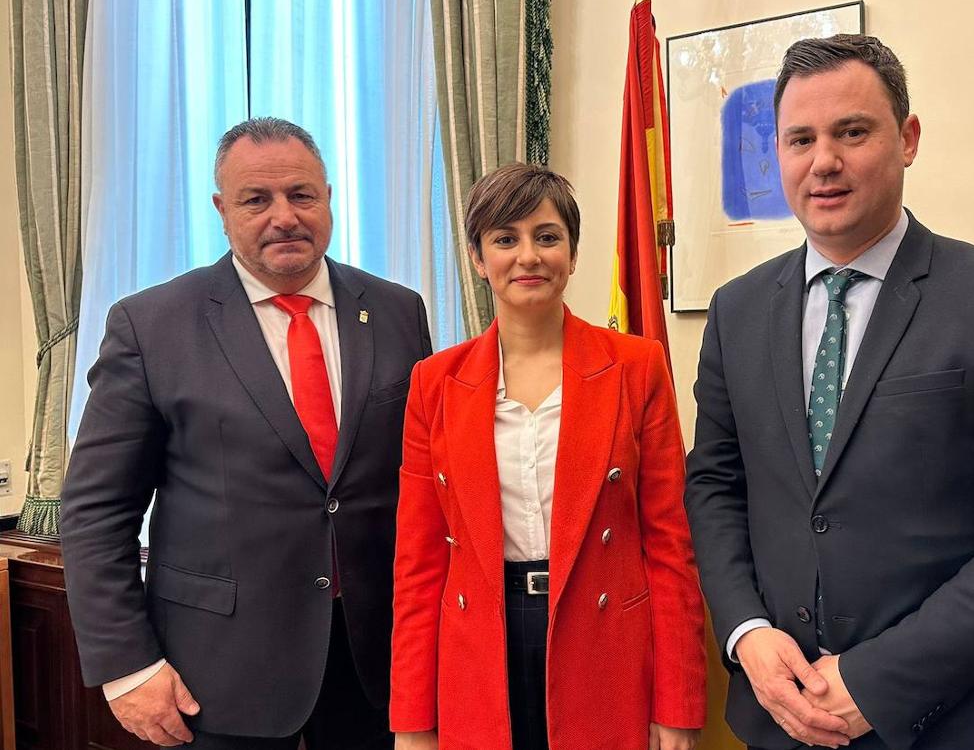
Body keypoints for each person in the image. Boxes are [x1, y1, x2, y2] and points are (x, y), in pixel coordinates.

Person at [684, 34, 974, 750]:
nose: (824, 161)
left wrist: (876, 681)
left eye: (852, 132)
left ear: (907, 139)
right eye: (800, 139)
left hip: (948, 722)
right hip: (778, 719)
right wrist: (746, 632)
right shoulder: (736, 310)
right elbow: (715, 487)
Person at [59, 117, 433, 749]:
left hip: (379, 666)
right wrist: (126, 666)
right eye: (256, 199)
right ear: (221, 210)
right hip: (218, 675)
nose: (283, 216)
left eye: (302, 195)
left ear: (329, 198)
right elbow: (96, 511)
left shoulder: (398, 311)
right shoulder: (152, 326)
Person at [390, 163, 705, 750]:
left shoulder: (637, 368)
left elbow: (669, 548)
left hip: (604, 641)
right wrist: (413, 720)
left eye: (547, 236)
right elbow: (418, 564)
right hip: (478, 648)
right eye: (505, 239)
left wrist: (679, 706)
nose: (528, 255)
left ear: (573, 252)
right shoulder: (434, 382)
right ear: (479, 259)